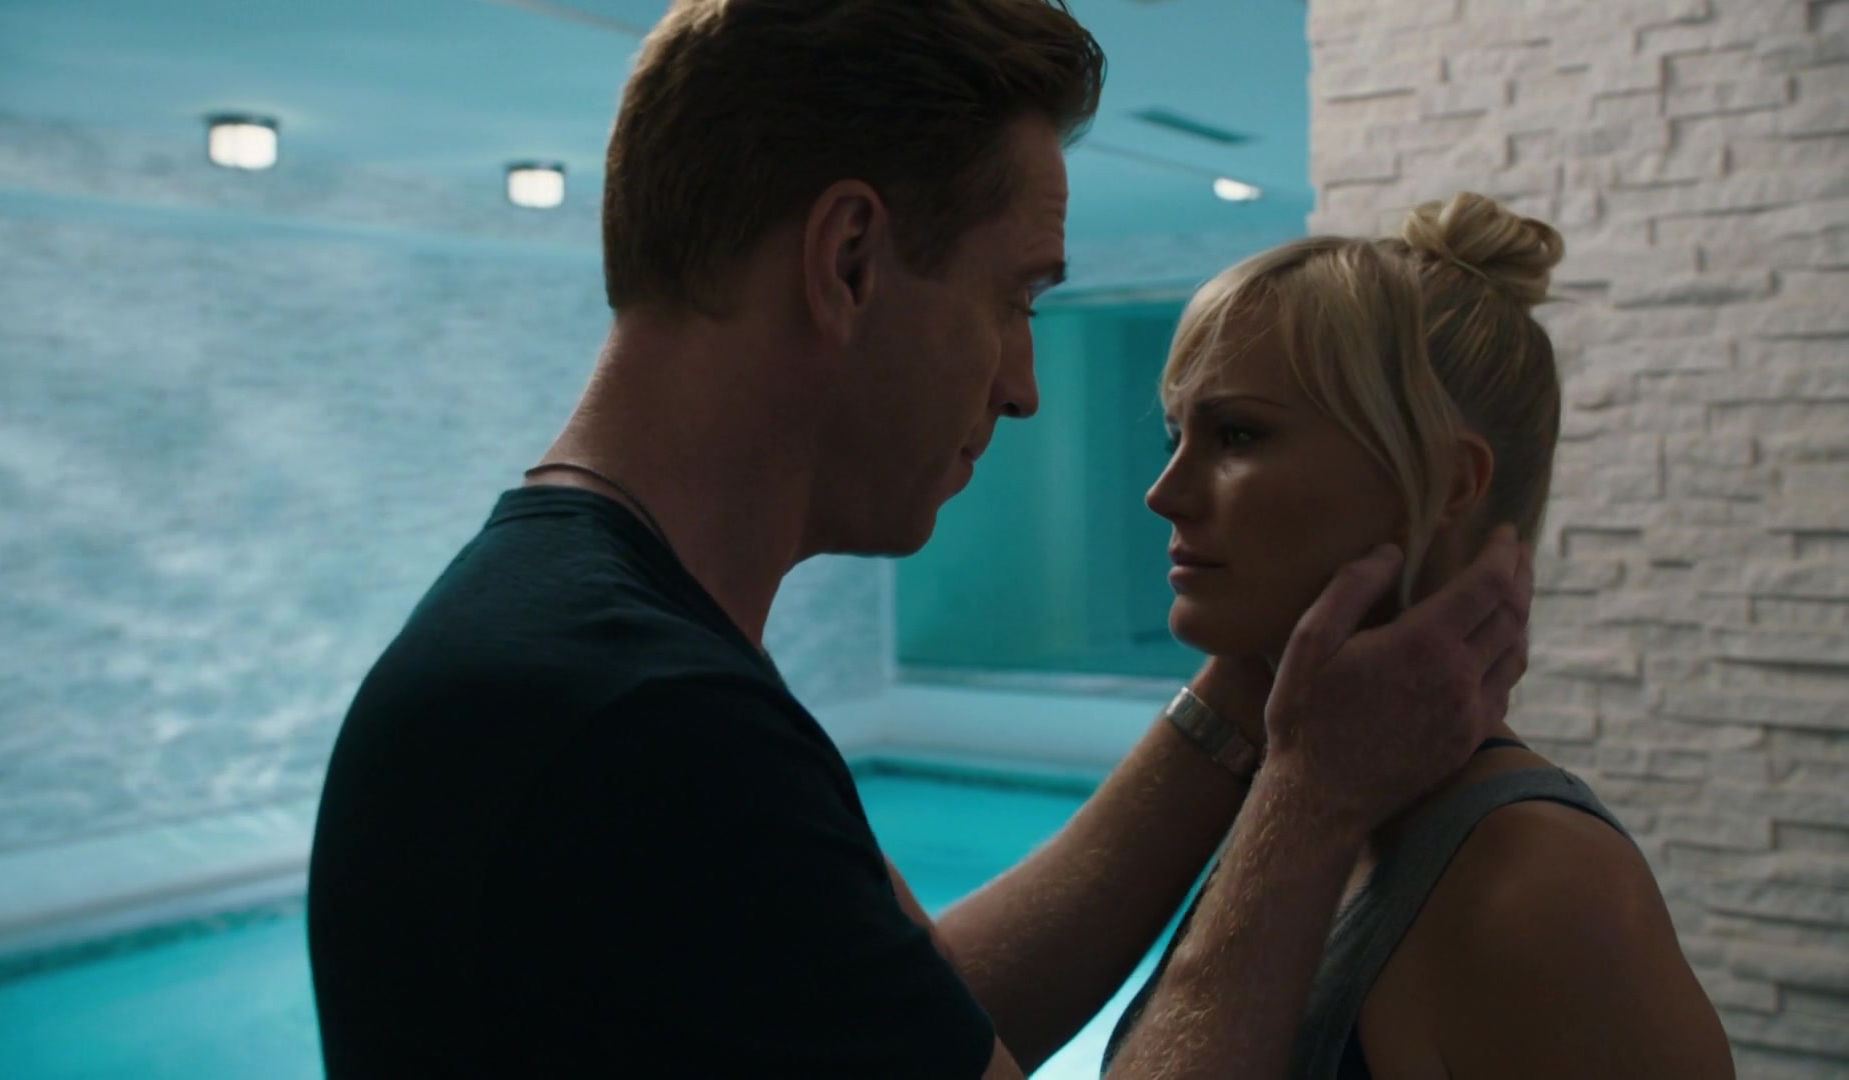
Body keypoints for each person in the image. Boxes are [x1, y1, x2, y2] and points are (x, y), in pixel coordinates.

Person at [305, 2, 1533, 1076]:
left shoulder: (587, 646)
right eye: (1015, 298)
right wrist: (1310, 801)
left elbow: (923, 1016)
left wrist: (1251, 693)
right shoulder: (643, 729)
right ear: (848, 262)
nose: (1023, 386)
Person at [1101, 193, 1733, 1077]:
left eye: (1236, 434)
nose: (1163, 494)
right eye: (1178, 436)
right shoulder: (1300, 807)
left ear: (1446, 482)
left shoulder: (1540, 887)